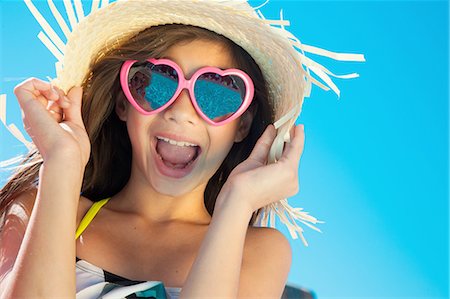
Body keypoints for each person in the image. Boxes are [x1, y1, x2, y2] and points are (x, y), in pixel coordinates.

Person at [0, 0, 365, 298]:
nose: (180, 111)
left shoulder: (257, 252)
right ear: (123, 103)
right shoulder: (36, 209)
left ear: (242, 125)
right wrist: (62, 164)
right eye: (156, 82)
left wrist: (237, 203)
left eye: (217, 93)